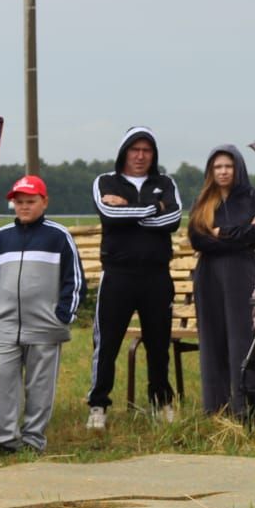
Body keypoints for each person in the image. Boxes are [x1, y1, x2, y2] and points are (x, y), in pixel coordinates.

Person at [0, 176, 83, 456]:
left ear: (44, 202)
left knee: (40, 386)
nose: (24, 207)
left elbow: (73, 280)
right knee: (0, 380)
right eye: (19, 202)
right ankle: (5, 442)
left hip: (45, 327)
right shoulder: (1, 239)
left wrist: (62, 315)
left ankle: (33, 441)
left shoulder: (59, 237)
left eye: (31, 201)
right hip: (2, 326)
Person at [85, 127, 183, 429]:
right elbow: (109, 215)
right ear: (124, 152)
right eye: (134, 150)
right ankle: (98, 406)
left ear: (153, 154)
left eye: (146, 151)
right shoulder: (105, 181)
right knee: (107, 344)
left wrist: (130, 208)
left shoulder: (165, 182)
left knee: (158, 343)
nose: (140, 156)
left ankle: (160, 402)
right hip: (118, 275)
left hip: (156, 275)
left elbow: (174, 220)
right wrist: (154, 209)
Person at [186, 146, 255, 416]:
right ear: (211, 171)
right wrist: (239, 235)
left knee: (242, 337)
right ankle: (216, 407)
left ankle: (247, 405)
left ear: (238, 168)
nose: (223, 172)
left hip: (241, 274)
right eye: (218, 167)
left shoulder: (254, 198)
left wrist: (221, 233)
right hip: (209, 276)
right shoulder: (203, 201)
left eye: (228, 166)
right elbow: (197, 239)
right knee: (213, 339)